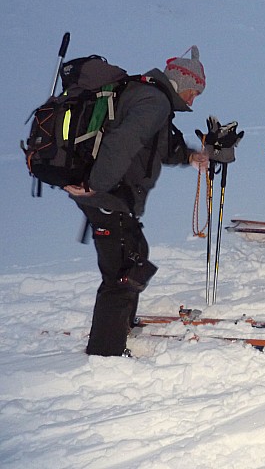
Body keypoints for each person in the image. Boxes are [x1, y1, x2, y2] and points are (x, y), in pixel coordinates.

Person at [65, 45, 210, 357]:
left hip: (112, 194)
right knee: (121, 271)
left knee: (133, 254)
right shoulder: (153, 102)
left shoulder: (150, 98)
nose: (193, 100)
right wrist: (95, 186)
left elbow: (157, 147)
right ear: (181, 83)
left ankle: (120, 325)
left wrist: (189, 156)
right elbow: (120, 143)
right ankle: (107, 352)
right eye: (193, 92)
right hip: (107, 194)